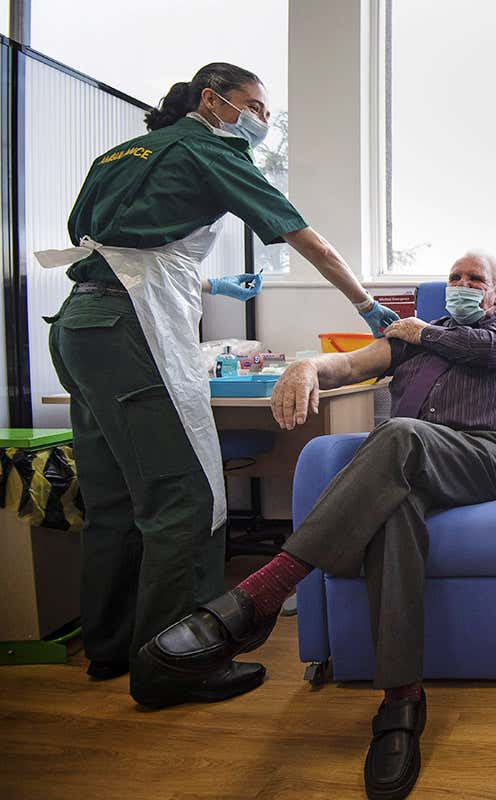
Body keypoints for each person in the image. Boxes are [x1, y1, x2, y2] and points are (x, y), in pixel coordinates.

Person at [35, 62, 403, 708]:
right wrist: (366, 306)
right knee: (188, 498)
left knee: (116, 498)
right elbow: (303, 237)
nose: (261, 121)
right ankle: (177, 665)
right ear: (213, 100)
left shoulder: (119, 153)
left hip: (77, 327)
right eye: (254, 106)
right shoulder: (212, 146)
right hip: (131, 327)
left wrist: (211, 286)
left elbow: (115, 246)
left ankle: (112, 648)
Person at [140, 250, 496, 800]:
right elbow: (348, 366)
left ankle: (265, 588)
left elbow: (481, 349)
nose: (463, 286)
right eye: (455, 278)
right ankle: (402, 700)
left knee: (397, 432)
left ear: (495, 295)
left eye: (476, 281)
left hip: (481, 459)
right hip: (407, 471)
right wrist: (305, 366)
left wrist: (421, 333)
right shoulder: (406, 339)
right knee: (392, 514)